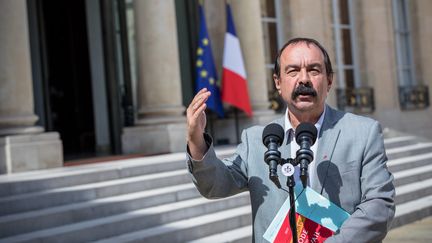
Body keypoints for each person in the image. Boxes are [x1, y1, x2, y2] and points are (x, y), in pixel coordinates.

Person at [186, 37, 395, 242]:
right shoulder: (257, 139)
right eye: (293, 71)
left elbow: (379, 205)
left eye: (314, 70)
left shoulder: (363, 132)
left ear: (329, 80)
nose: (304, 79)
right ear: (278, 82)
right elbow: (214, 185)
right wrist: (196, 140)